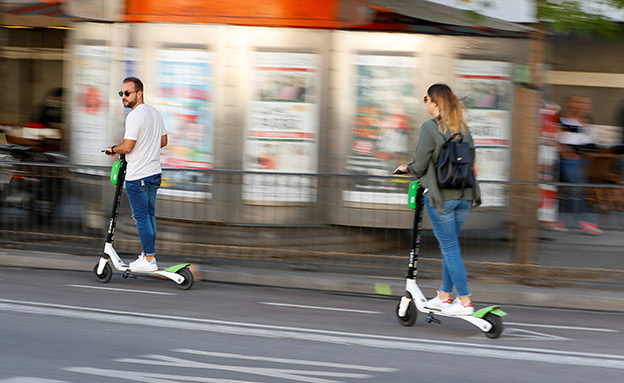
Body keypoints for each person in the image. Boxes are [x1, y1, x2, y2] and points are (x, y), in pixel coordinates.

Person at [395, 83, 481, 316]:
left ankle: (465, 301)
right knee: (449, 246)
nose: (427, 105)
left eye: (427, 100)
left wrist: (406, 168)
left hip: (442, 197)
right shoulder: (462, 128)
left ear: (435, 102)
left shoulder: (430, 128)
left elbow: (421, 164)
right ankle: (444, 296)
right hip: (464, 196)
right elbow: (472, 161)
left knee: (450, 247)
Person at [105, 77, 168, 271]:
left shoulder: (134, 116)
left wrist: (113, 149)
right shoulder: (155, 113)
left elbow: (128, 145)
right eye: (121, 93)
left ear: (139, 93)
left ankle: (149, 259)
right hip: (154, 174)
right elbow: (163, 141)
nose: (123, 97)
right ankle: (148, 255)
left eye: (127, 93)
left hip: (138, 176)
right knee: (149, 216)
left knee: (141, 217)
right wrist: (147, 147)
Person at [555, 94, 601, 235]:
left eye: (585, 103)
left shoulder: (585, 121)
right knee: (576, 188)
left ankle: (563, 218)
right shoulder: (563, 120)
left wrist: (588, 153)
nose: (582, 106)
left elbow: (588, 142)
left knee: (574, 188)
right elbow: (558, 139)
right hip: (567, 160)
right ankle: (585, 220)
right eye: (578, 102)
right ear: (569, 103)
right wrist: (567, 152)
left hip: (580, 160)